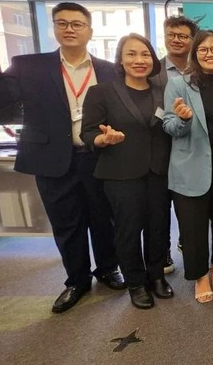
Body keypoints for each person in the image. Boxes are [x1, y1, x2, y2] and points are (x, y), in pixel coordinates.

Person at [0, 4, 125, 314]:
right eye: (62, 23)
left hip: (100, 156)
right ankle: (76, 281)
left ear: (90, 31)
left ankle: (107, 268)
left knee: (104, 220)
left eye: (77, 24)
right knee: (66, 223)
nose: (70, 29)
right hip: (53, 158)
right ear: (54, 29)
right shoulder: (29, 66)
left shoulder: (109, 69)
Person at [81, 33, 173, 309]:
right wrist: (102, 139)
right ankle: (135, 282)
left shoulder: (163, 91)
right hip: (121, 173)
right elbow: (88, 132)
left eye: (145, 54)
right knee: (128, 230)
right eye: (131, 54)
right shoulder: (102, 92)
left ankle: (156, 276)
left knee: (159, 227)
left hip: (158, 172)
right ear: (120, 59)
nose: (139, 60)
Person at [163, 30, 213, 304]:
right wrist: (182, 119)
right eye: (204, 49)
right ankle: (199, 275)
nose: (210, 54)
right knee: (192, 227)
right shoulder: (179, 85)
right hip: (189, 167)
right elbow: (168, 125)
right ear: (195, 54)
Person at [151, 14, 198, 274]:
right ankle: (163, 254)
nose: (177, 40)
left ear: (192, 40)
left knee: (189, 205)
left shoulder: (201, 69)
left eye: (183, 36)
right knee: (159, 208)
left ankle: (186, 241)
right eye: (172, 35)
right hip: (160, 146)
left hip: (192, 148)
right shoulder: (152, 70)